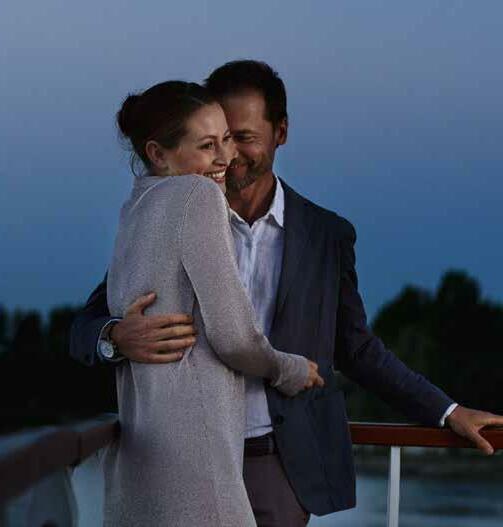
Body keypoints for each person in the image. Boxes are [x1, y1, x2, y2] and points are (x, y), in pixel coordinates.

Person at [71, 61, 503, 527]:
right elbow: (88, 322)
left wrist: (447, 410)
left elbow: (357, 349)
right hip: (182, 460)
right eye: (216, 139)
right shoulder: (178, 213)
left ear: (281, 132)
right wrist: (115, 337)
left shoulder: (326, 235)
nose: (229, 155)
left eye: (242, 137)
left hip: (277, 465)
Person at [101, 80, 323, 527]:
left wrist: (113, 336)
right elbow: (234, 338)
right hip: (196, 461)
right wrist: (291, 369)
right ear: (158, 153)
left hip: (139, 463)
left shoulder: (134, 210)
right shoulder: (198, 196)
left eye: (227, 139)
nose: (226, 158)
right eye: (207, 146)